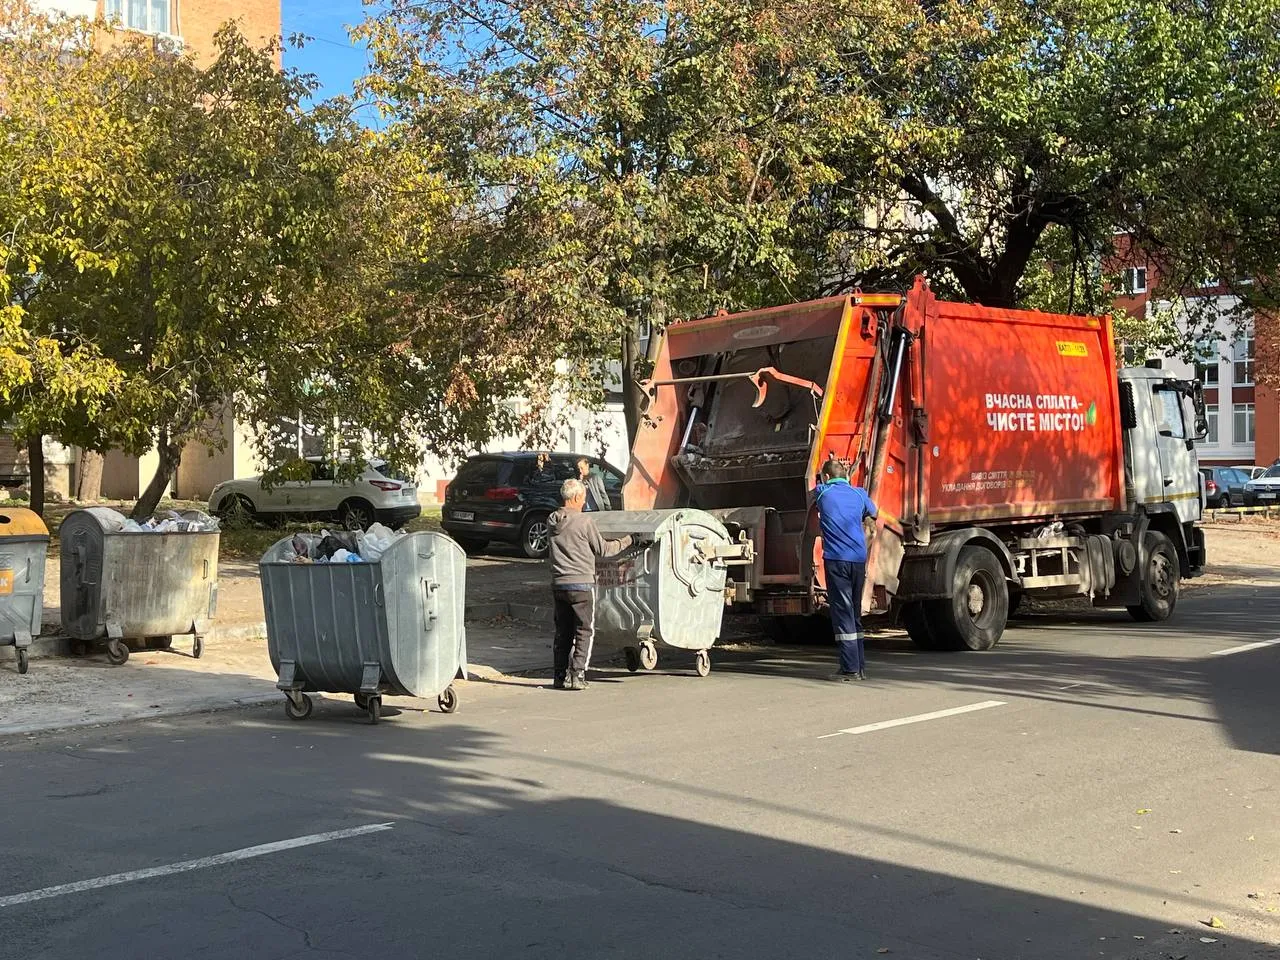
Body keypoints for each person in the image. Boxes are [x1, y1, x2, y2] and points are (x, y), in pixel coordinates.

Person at [548, 477, 631, 690]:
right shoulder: (585, 522)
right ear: (576, 497)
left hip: (559, 584)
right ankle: (577, 675)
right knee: (584, 630)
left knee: (563, 631)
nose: (584, 502)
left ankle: (559, 676)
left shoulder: (551, 520)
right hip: (582, 584)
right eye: (583, 497)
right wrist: (629, 540)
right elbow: (604, 550)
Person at [813, 458, 878, 681]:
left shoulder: (823, 493)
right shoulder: (859, 494)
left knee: (843, 613)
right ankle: (860, 667)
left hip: (836, 561)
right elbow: (873, 510)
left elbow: (813, 490)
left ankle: (849, 669)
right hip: (858, 561)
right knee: (855, 613)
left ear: (827, 478)